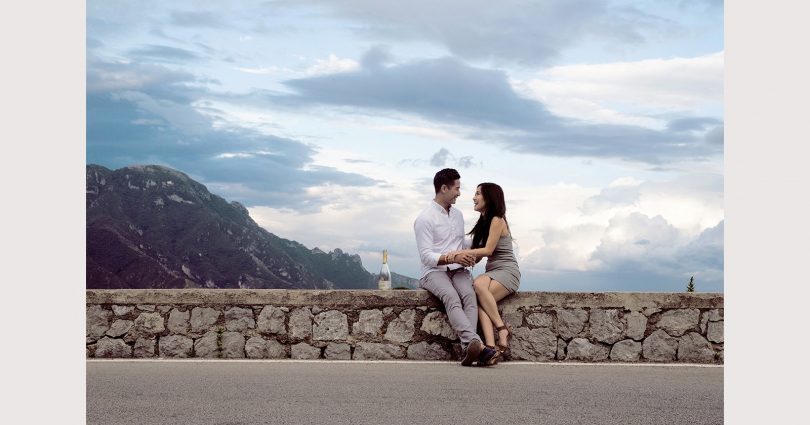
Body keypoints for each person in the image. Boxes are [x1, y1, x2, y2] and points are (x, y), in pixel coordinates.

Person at [413, 168, 500, 367]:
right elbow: (426, 256)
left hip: (458, 270)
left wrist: (473, 251)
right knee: (451, 297)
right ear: (444, 188)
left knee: (469, 297)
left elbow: (461, 244)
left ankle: (470, 349)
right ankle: (475, 345)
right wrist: (453, 257)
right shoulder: (424, 219)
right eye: (457, 188)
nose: (460, 193)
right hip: (433, 272)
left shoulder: (458, 215)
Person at [447, 182, 520, 358]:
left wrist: (459, 252)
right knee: (480, 301)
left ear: (489, 197)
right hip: (493, 270)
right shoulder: (484, 222)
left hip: (507, 271)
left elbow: (487, 250)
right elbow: (479, 256)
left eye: (478, 193)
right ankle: (491, 346)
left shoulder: (497, 219)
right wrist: (459, 261)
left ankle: (502, 329)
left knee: (479, 284)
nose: (474, 197)